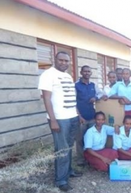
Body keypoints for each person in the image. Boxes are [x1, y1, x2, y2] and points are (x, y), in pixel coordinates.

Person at [38, 51, 82, 192]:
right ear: (54, 59)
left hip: (72, 117)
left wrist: (77, 114)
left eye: (66, 61)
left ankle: (68, 171)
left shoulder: (68, 76)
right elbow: (46, 99)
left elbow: (71, 97)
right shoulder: (47, 75)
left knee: (69, 147)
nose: (64, 63)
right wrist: (53, 120)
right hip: (60, 119)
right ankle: (60, 180)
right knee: (62, 149)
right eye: (61, 60)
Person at [75, 65, 107, 166]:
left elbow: (102, 94)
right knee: (80, 139)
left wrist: (96, 98)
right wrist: (79, 116)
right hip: (81, 118)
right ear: (81, 72)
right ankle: (81, 160)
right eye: (85, 71)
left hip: (92, 117)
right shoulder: (75, 85)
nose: (87, 73)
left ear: (91, 73)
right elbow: (72, 102)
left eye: (89, 71)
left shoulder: (93, 85)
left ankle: (91, 158)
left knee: (90, 138)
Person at [109, 68, 131, 138]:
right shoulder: (118, 85)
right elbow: (110, 95)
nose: (125, 76)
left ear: (130, 75)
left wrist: (130, 102)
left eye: (127, 74)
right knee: (124, 131)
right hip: (122, 112)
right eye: (123, 74)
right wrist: (121, 97)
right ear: (121, 75)